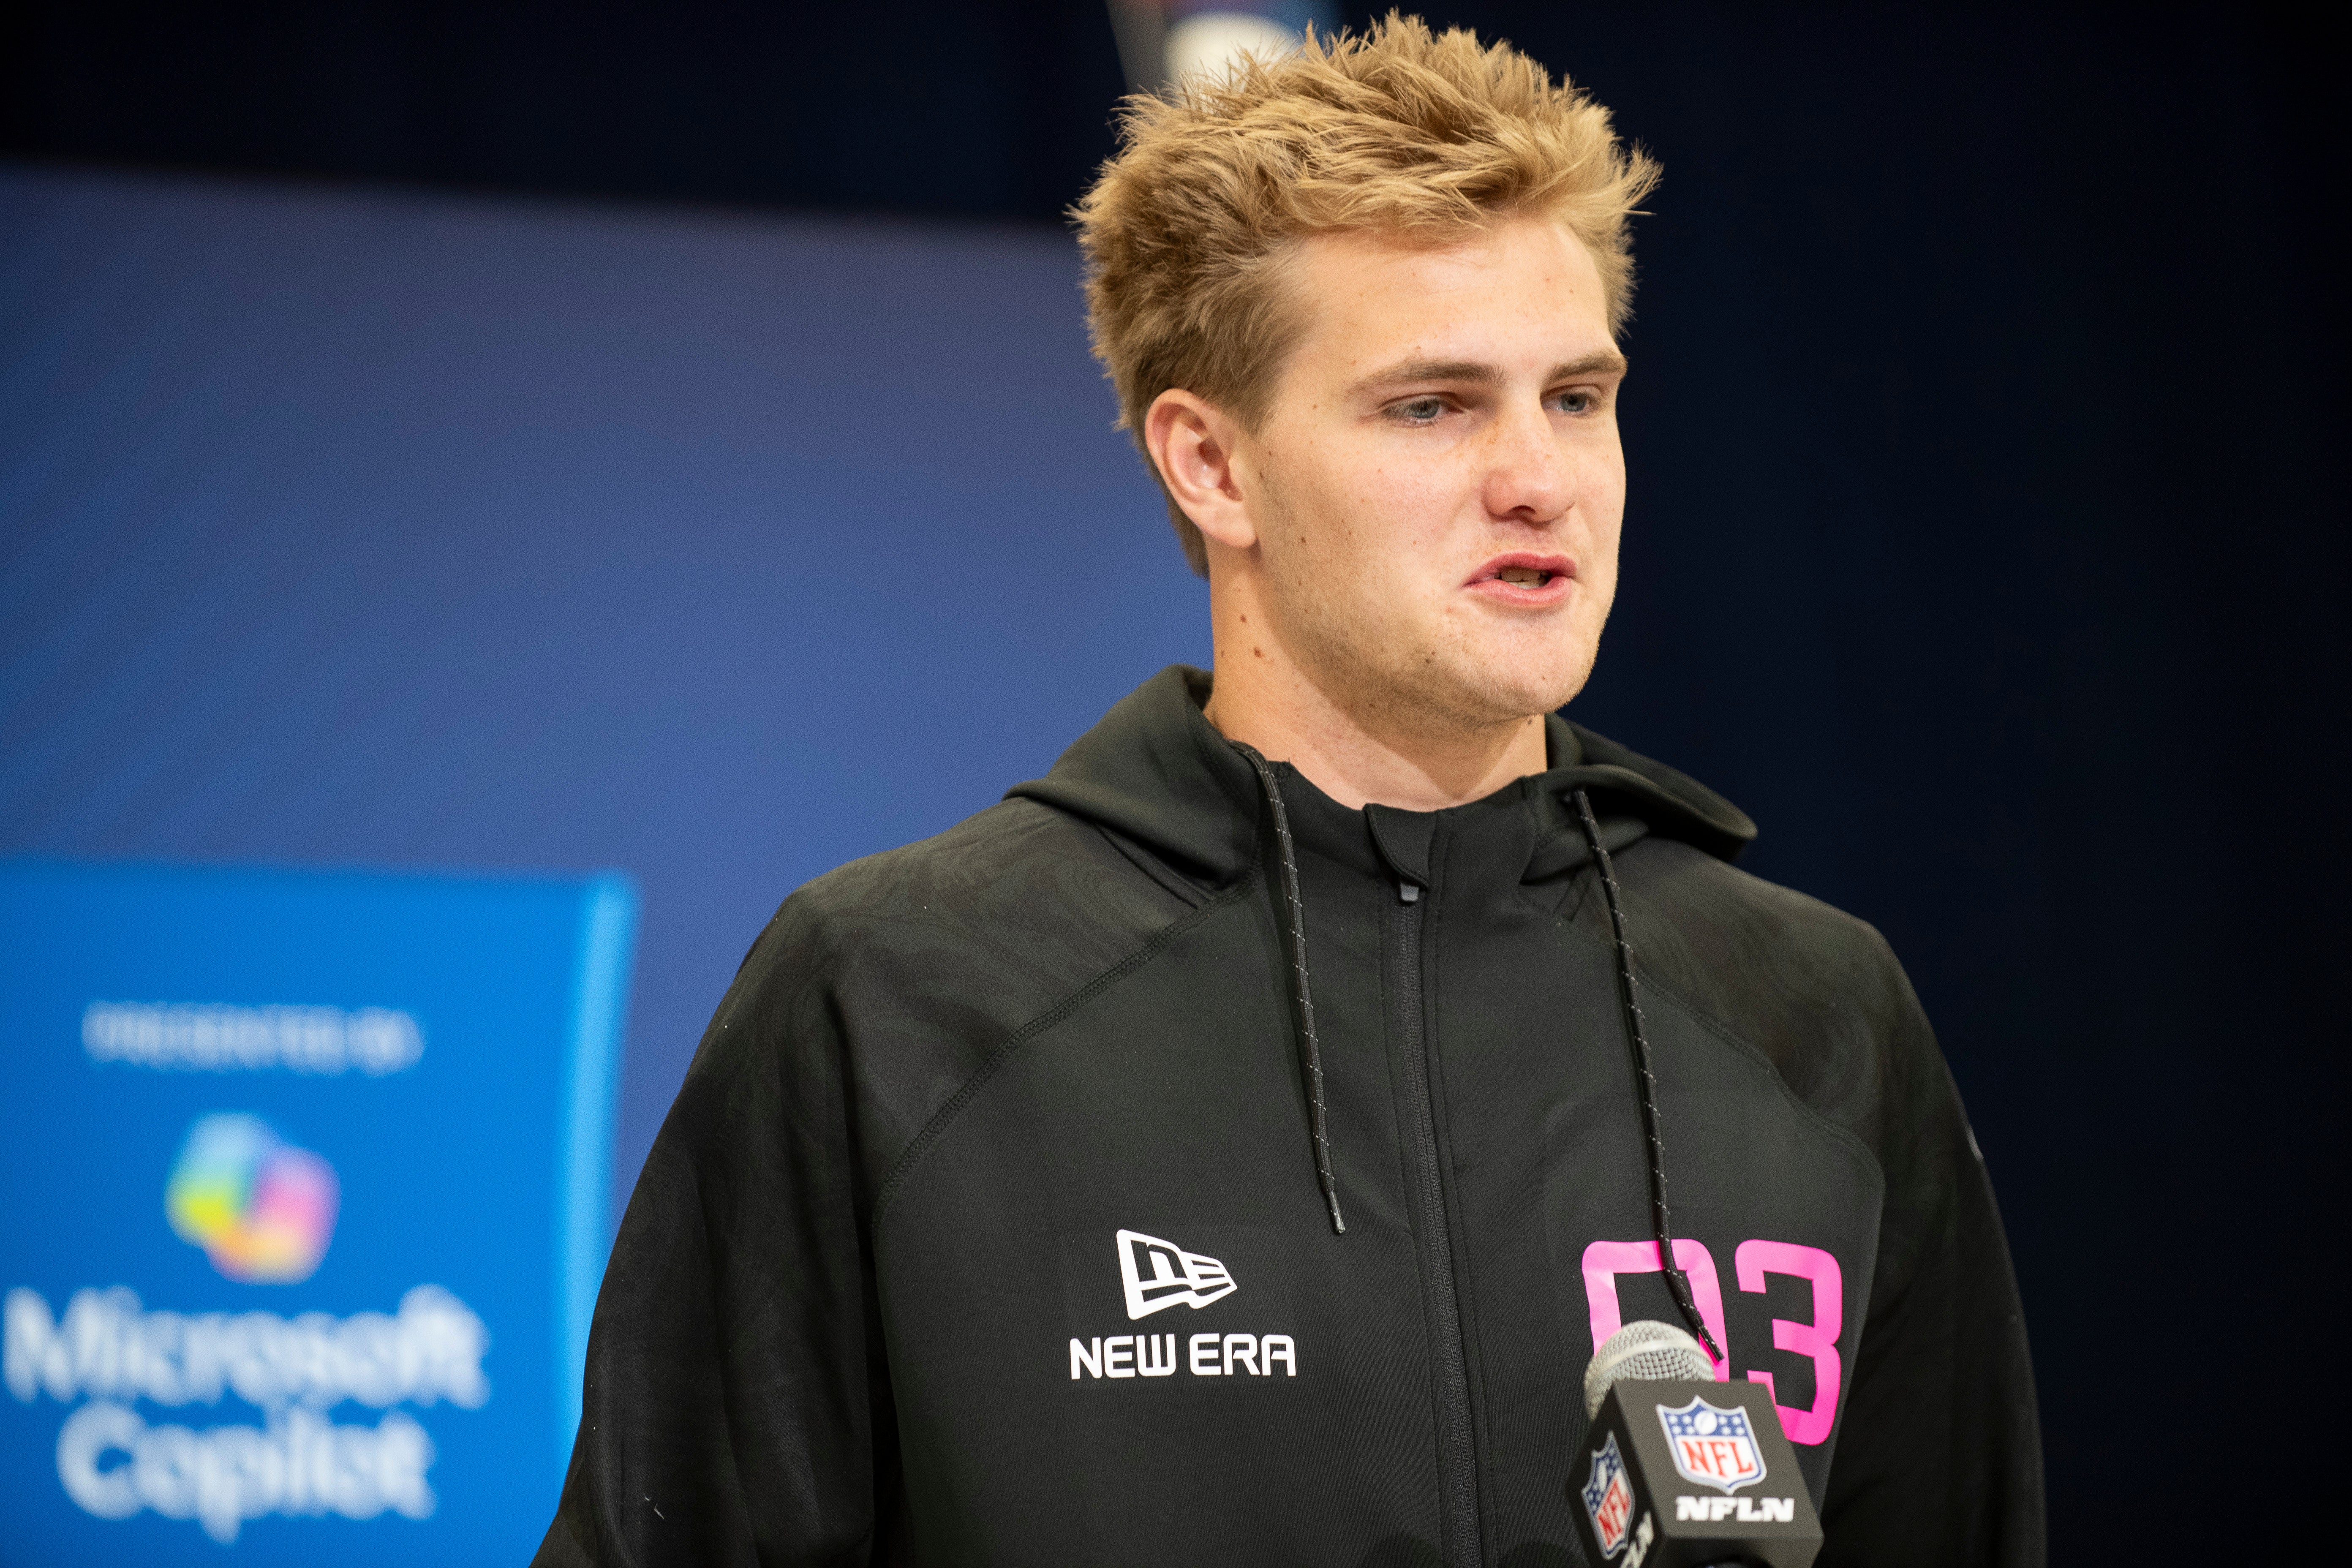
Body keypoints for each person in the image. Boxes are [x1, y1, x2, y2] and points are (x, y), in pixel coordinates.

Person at [535, 17, 2042, 1566]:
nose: (1542, 478)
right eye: (1433, 406)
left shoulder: (1818, 1009)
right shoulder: (898, 999)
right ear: (1212, 465)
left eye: (1577, 397)